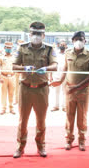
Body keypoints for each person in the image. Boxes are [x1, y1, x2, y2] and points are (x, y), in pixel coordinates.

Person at [12, 22, 57, 158]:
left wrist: (47, 68)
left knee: (41, 120)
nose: (36, 36)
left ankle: (41, 146)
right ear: (29, 34)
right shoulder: (22, 48)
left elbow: (55, 65)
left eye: (39, 34)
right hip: (25, 88)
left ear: (43, 35)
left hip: (41, 89)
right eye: (34, 34)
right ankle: (20, 147)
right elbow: (14, 66)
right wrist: (23, 68)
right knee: (23, 120)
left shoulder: (49, 49)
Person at [51, 31, 89, 151]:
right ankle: (69, 140)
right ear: (72, 41)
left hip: (83, 91)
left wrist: (78, 87)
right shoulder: (67, 53)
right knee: (69, 116)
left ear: (85, 41)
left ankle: (81, 140)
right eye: (76, 39)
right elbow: (66, 69)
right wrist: (60, 81)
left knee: (82, 117)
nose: (78, 41)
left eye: (81, 39)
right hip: (69, 89)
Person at [50, 40, 67, 112]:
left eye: (64, 45)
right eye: (61, 44)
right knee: (56, 92)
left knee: (65, 91)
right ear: (58, 45)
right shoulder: (55, 54)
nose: (62, 46)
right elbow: (51, 65)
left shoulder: (68, 54)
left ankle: (64, 106)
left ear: (66, 46)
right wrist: (50, 76)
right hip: (56, 75)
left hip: (65, 76)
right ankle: (56, 106)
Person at [0, 42, 15, 115]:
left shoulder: (14, 57)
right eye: (7, 47)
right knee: (3, 93)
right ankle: (3, 108)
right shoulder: (1, 57)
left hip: (12, 76)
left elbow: (16, 66)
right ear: (4, 48)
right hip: (3, 76)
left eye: (10, 48)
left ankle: (11, 108)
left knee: (11, 93)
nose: (9, 49)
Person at [13, 39, 25, 105]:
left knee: (23, 85)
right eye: (19, 43)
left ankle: (21, 99)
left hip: (23, 70)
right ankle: (16, 99)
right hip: (17, 71)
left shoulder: (24, 50)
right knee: (16, 86)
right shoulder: (16, 52)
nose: (20, 44)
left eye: (22, 42)